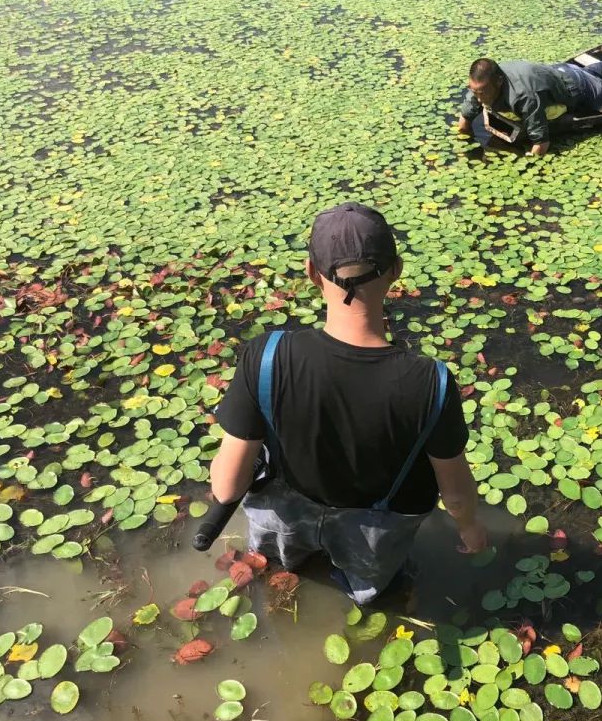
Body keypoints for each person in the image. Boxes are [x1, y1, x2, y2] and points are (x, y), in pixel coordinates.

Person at [208, 202, 487, 604]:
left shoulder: (265, 355)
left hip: (285, 520)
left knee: (281, 562)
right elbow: (456, 496)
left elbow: (227, 484)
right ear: (396, 271)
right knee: (374, 592)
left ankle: (288, 574)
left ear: (311, 273)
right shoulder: (431, 382)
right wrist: (470, 527)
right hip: (373, 535)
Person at [456, 56, 602, 156]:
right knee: (595, 71)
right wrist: (463, 148)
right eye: (474, 90)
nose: (478, 96)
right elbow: (465, 121)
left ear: (498, 81)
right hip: (560, 71)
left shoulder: (523, 96)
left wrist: (529, 169)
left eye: (482, 91)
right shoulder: (480, 86)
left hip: (574, 86)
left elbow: (541, 142)